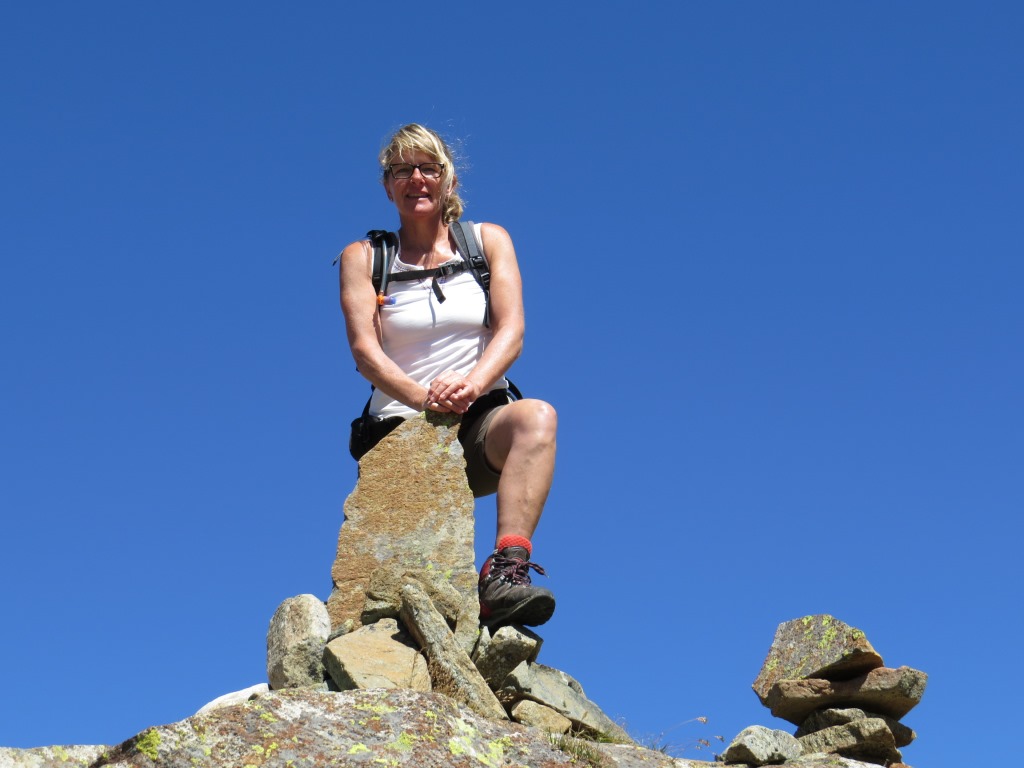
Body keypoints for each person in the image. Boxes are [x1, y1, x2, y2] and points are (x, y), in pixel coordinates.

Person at [337, 124, 557, 627]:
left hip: (479, 421)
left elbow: (512, 331)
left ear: (449, 180)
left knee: (536, 418)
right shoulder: (364, 258)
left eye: (428, 168)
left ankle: (506, 571)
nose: (416, 179)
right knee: (395, 590)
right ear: (387, 186)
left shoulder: (487, 241)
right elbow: (365, 352)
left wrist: (472, 385)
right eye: (401, 170)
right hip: (399, 432)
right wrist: (424, 398)